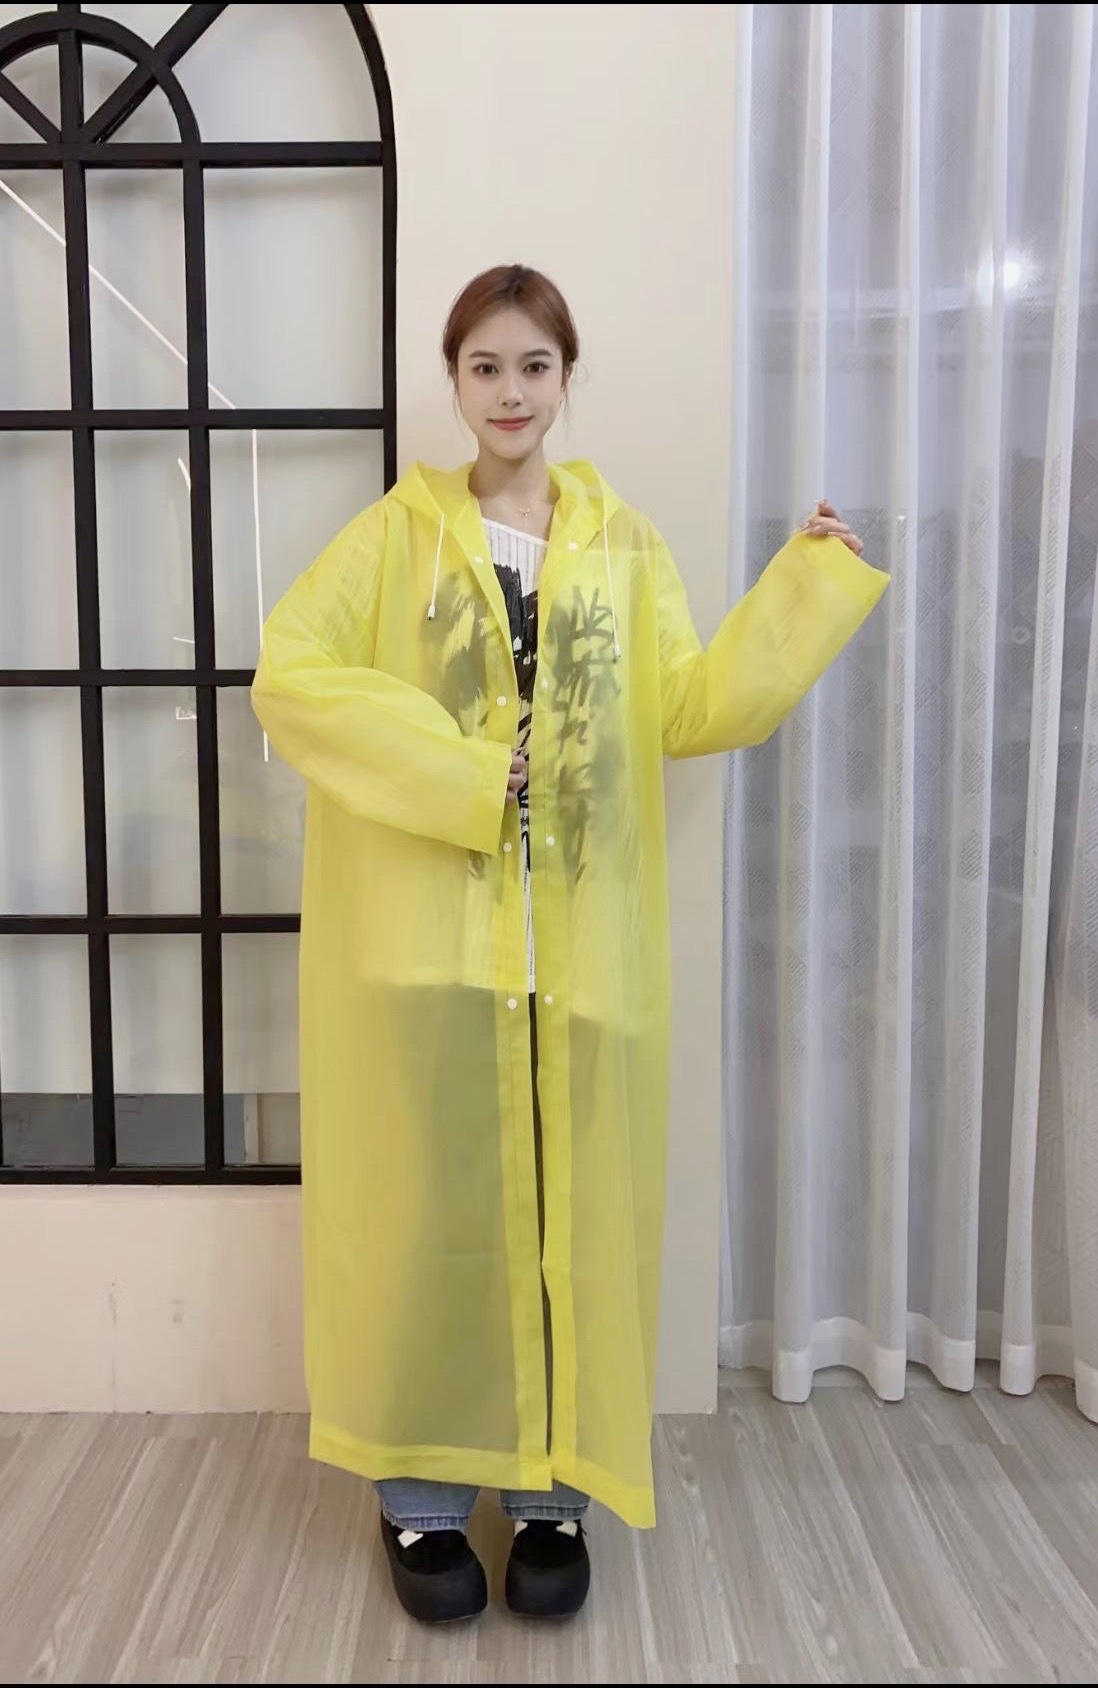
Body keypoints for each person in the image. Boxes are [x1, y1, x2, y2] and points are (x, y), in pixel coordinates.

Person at [251, 265, 886, 1624]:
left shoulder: (623, 546)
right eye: (485, 366)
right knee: (430, 1230)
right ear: (454, 380)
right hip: (431, 956)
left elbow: (692, 707)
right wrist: (458, 772)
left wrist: (806, 586)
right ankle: (422, 1496)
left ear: (564, 378)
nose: (510, 392)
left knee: (571, 1232)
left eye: (533, 366)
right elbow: (291, 677)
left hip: (582, 958)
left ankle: (553, 1492)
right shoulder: (392, 541)